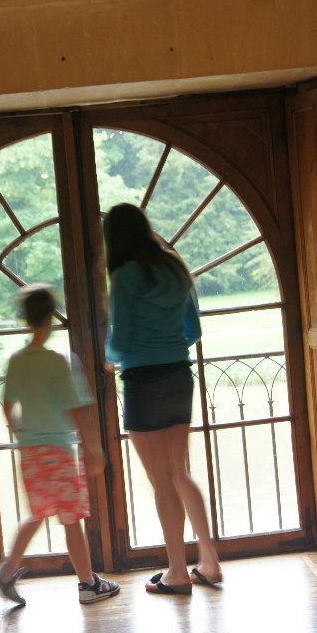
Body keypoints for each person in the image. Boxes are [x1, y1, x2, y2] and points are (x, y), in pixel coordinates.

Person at [104, 203, 222, 595]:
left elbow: (119, 342)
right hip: (178, 375)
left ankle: (176, 572)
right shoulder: (174, 267)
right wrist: (169, 344)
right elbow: (194, 330)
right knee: (180, 471)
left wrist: (110, 360)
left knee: (161, 481)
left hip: (142, 379)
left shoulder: (124, 275)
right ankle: (209, 561)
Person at [0, 284, 120, 605]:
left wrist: (20, 432)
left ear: (27, 319)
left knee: (37, 513)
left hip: (31, 452)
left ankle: (6, 571)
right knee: (71, 519)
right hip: (59, 453)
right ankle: (88, 585)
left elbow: (7, 405)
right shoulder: (61, 361)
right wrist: (92, 447)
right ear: (50, 318)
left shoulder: (17, 361)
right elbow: (77, 408)